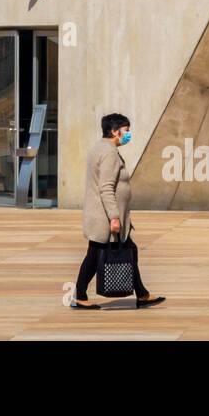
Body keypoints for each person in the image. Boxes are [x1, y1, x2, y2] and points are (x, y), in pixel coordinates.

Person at [72, 113, 163, 309]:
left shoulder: (101, 148)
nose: (128, 134)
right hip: (104, 217)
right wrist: (114, 217)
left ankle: (142, 294)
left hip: (103, 215)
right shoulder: (109, 153)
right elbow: (106, 187)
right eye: (126, 131)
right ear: (115, 131)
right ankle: (80, 295)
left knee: (128, 250)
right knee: (95, 256)